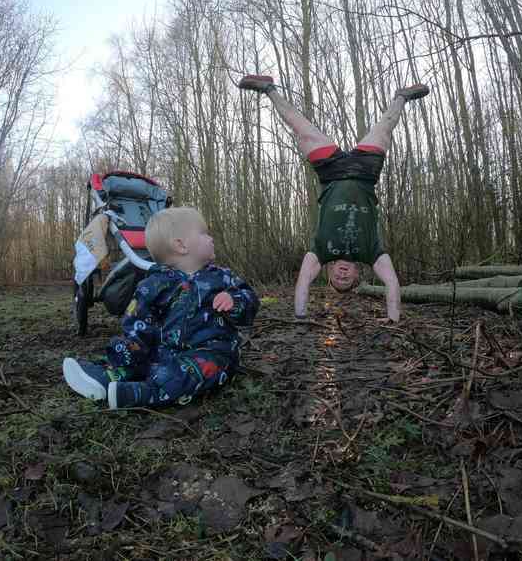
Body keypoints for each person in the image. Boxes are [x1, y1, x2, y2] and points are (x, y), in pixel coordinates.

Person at [238, 75, 429, 322]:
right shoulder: (372, 253)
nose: (342, 275)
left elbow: (303, 281)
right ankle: (402, 96)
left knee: (301, 128)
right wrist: (393, 319)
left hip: (331, 173)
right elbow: (392, 282)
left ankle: (269, 88)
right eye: (345, 279)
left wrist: (300, 316)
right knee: (385, 127)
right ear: (357, 275)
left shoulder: (319, 252)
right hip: (364, 173)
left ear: (326, 271)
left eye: (338, 279)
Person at [62, 206, 260, 409]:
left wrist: (235, 300)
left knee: (194, 372)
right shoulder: (154, 284)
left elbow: (251, 300)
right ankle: (105, 376)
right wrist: (133, 347)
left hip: (211, 352)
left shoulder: (222, 277)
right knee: (138, 357)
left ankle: (143, 394)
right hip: (162, 352)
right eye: (204, 233)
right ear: (181, 245)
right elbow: (137, 319)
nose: (211, 238)